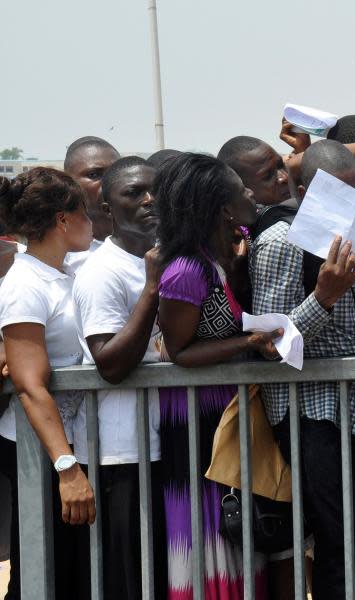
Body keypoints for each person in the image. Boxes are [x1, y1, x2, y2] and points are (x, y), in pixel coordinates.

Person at [250, 139, 355, 599]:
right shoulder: (280, 241)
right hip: (310, 416)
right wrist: (324, 297)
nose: (349, 204)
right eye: (334, 193)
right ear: (301, 192)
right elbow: (267, 342)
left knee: (342, 548)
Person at [154, 153, 284, 599]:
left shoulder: (213, 260)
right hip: (197, 421)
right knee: (209, 535)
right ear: (222, 207)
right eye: (240, 189)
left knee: (234, 538)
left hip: (220, 413)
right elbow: (180, 351)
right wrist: (248, 343)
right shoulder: (186, 270)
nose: (250, 193)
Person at [71, 156, 167, 599]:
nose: (149, 200)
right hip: (120, 453)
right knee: (128, 578)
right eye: (134, 193)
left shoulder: (163, 255)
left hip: (165, 443)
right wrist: (151, 290)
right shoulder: (101, 273)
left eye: (154, 189)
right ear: (107, 209)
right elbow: (109, 363)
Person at [0, 168, 95, 599]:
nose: (91, 223)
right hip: (38, 452)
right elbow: (28, 384)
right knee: (38, 575)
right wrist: (66, 467)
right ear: (63, 220)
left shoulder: (69, 270)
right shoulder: (24, 284)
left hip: (69, 444)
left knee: (73, 572)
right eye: (86, 214)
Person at [63, 136, 120, 269]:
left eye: (116, 173)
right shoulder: (60, 257)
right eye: (94, 175)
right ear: (68, 183)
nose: (110, 182)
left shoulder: (151, 244)